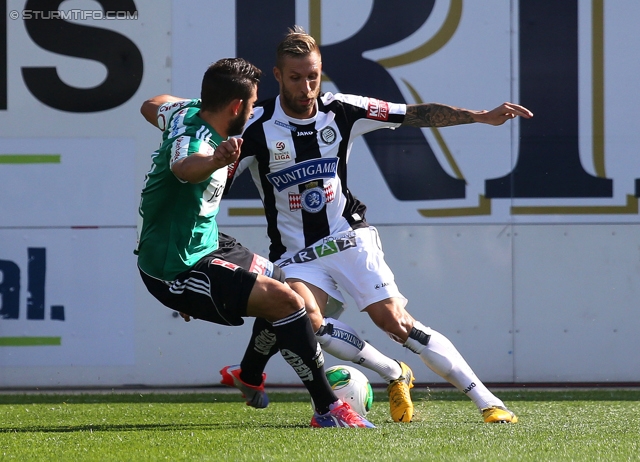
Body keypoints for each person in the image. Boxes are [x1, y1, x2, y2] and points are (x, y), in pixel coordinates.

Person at [218, 27, 534, 424]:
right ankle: (392, 371)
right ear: (278, 76)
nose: (306, 86)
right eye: (295, 77)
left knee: (396, 324)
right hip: (297, 255)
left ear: (321, 72)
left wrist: (479, 117)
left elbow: (415, 113)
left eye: (313, 76)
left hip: (348, 239)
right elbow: (212, 188)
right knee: (305, 319)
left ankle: (490, 403)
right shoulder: (255, 125)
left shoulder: (342, 110)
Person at [136, 57, 374, 428]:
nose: (253, 112)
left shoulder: (187, 112)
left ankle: (248, 374)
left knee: (285, 288)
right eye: (250, 105)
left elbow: (150, 104)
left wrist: (192, 112)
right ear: (235, 107)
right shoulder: (195, 139)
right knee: (288, 302)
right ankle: (328, 408)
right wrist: (214, 158)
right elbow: (184, 167)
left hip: (206, 241)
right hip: (176, 266)